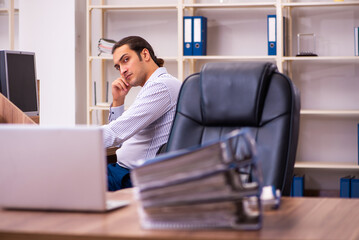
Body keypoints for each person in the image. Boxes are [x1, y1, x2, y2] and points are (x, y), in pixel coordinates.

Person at [102, 36, 182, 191]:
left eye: (125, 60)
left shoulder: (161, 86)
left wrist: (68, 141)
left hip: (133, 178)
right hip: (121, 172)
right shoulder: (155, 86)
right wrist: (118, 101)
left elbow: (114, 134)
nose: (122, 70)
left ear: (145, 55)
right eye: (118, 67)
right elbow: (119, 140)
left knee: (66, 178)